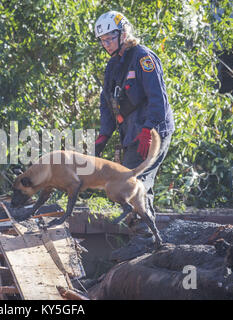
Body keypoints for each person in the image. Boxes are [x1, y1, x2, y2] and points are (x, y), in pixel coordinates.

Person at [93, 11, 175, 236]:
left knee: (133, 181)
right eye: (103, 40)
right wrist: (104, 135)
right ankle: (143, 236)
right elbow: (107, 101)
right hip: (132, 132)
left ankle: (145, 237)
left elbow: (158, 98)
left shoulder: (142, 57)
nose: (107, 44)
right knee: (129, 179)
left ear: (123, 33)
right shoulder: (113, 66)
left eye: (110, 38)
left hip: (153, 131)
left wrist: (149, 129)